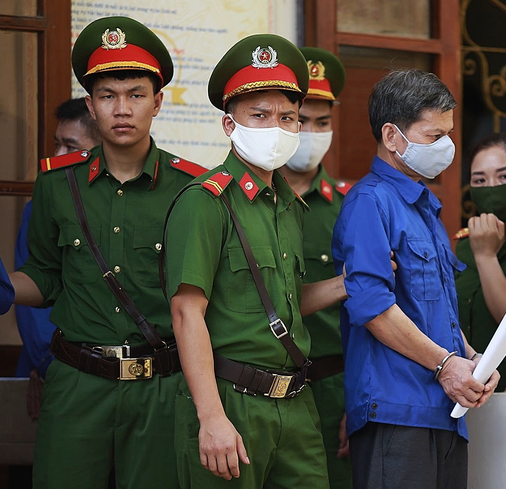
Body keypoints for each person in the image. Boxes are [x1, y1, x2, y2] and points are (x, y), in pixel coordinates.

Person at [5, 16, 205, 488]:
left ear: (157, 102)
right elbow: (45, 276)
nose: (122, 109)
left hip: (160, 385)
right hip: (76, 383)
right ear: (91, 106)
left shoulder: (192, 189)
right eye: (107, 96)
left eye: (135, 94)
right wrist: (6, 287)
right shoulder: (58, 183)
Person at [164, 34, 348, 489]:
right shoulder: (205, 202)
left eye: (288, 118)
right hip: (232, 402)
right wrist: (211, 418)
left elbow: (282, 305)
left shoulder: (287, 206)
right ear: (229, 125)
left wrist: (352, 282)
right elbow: (188, 312)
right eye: (259, 116)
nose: (276, 128)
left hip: (297, 402)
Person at [331, 69, 500, 489]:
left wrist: (472, 358)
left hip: (443, 409)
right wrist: (446, 365)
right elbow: (371, 306)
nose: (446, 146)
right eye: (433, 136)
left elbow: (433, 305)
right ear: (392, 137)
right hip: (396, 409)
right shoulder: (370, 201)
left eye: (448, 134)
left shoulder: (425, 206)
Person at [279, 47, 352, 489]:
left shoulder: (350, 207)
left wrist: (359, 400)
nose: (310, 133)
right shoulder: (233, 202)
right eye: (300, 120)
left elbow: (372, 311)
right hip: (253, 383)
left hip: (332, 387)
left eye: (322, 123)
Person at [15, 98, 101, 390]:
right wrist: (45, 362)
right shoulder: (47, 200)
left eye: (71, 147)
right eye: (57, 145)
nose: (58, 155)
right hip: (54, 360)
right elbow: (36, 280)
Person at [454, 132, 506, 390]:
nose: (492, 187)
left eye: (505, 176)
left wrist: (486, 255)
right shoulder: (462, 247)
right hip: (461, 392)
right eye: (480, 180)